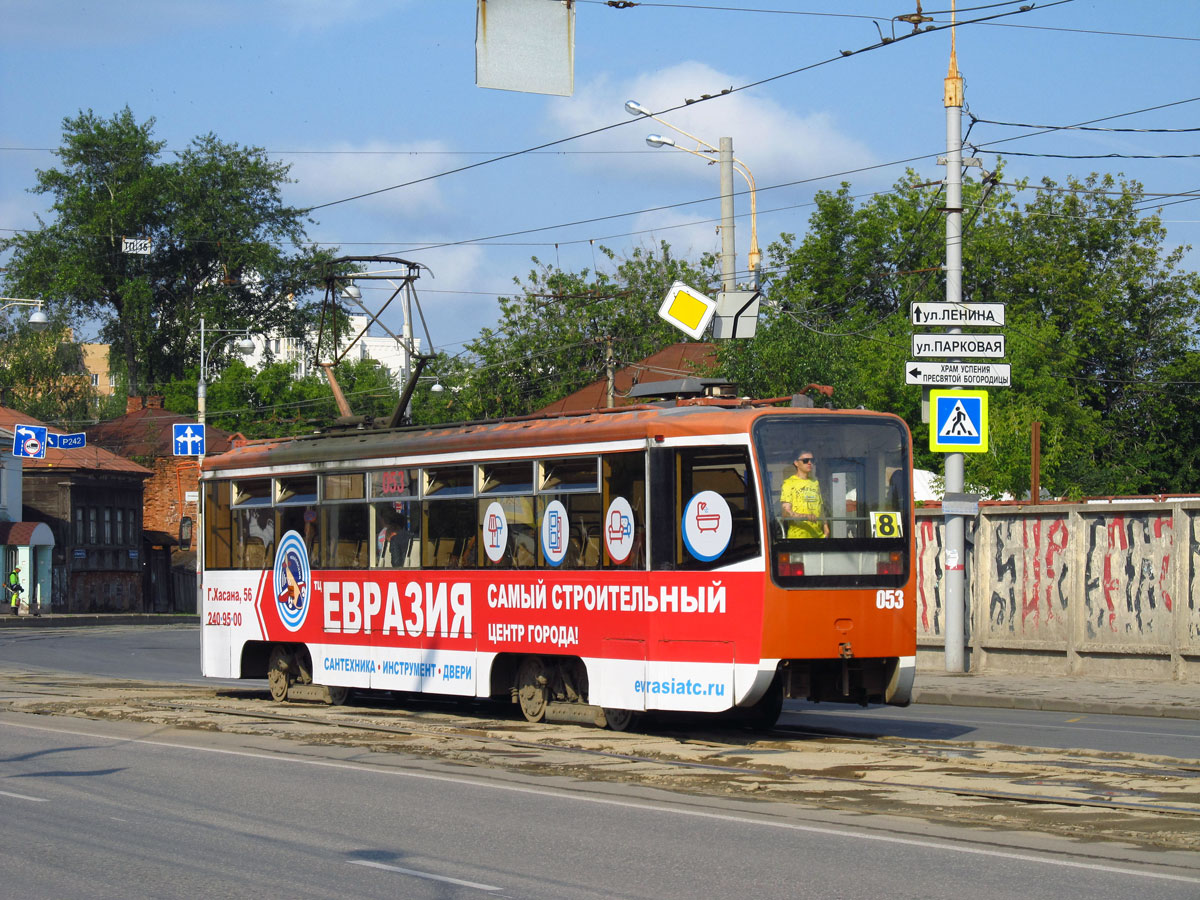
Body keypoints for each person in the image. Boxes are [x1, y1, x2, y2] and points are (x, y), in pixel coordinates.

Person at [780, 451, 829, 539]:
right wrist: (805, 516)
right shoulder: (789, 483)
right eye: (805, 460)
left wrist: (826, 527)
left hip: (818, 535)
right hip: (798, 537)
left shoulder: (815, 482)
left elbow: (820, 507)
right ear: (796, 463)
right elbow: (786, 512)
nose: (810, 463)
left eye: (812, 460)